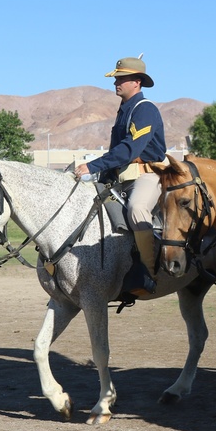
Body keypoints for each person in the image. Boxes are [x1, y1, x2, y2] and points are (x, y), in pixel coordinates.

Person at [74, 56, 165, 299]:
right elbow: (118, 153)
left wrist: (92, 166)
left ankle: (148, 272)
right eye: (116, 77)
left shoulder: (145, 109)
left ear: (137, 82)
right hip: (122, 178)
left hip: (149, 175)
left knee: (137, 209)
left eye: (121, 78)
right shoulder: (124, 111)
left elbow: (129, 151)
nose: (116, 81)